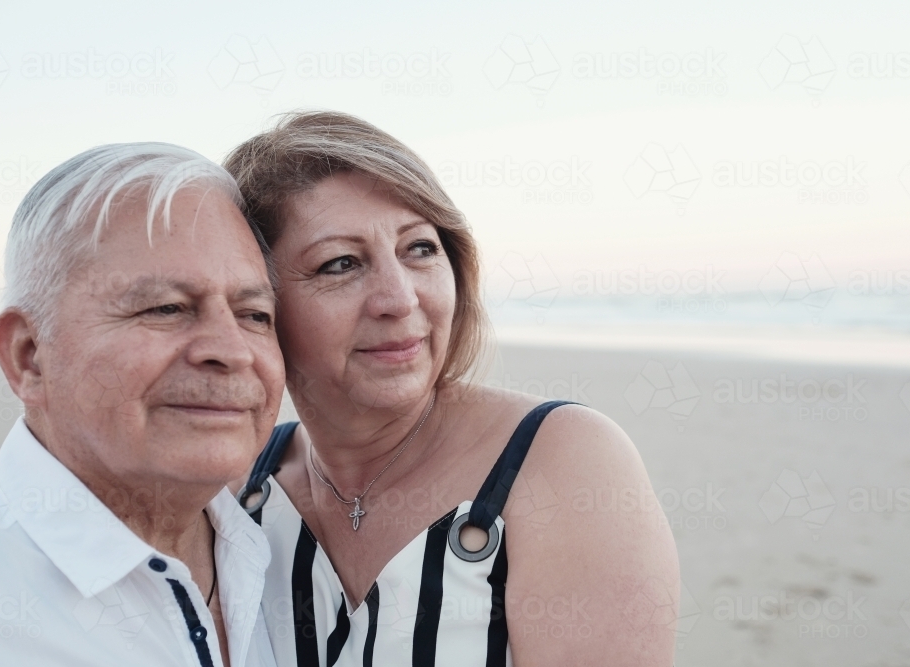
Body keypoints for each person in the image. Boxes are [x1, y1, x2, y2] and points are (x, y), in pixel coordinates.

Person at [225, 112, 680, 666]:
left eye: (419, 248)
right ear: (257, 305)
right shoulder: (237, 491)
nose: (400, 298)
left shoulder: (562, 461)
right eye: (340, 263)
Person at [0, 143, 286, 667]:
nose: (230, 350)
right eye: (166, 307)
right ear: (30, 357)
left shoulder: (292, 554)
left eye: (254, 314)